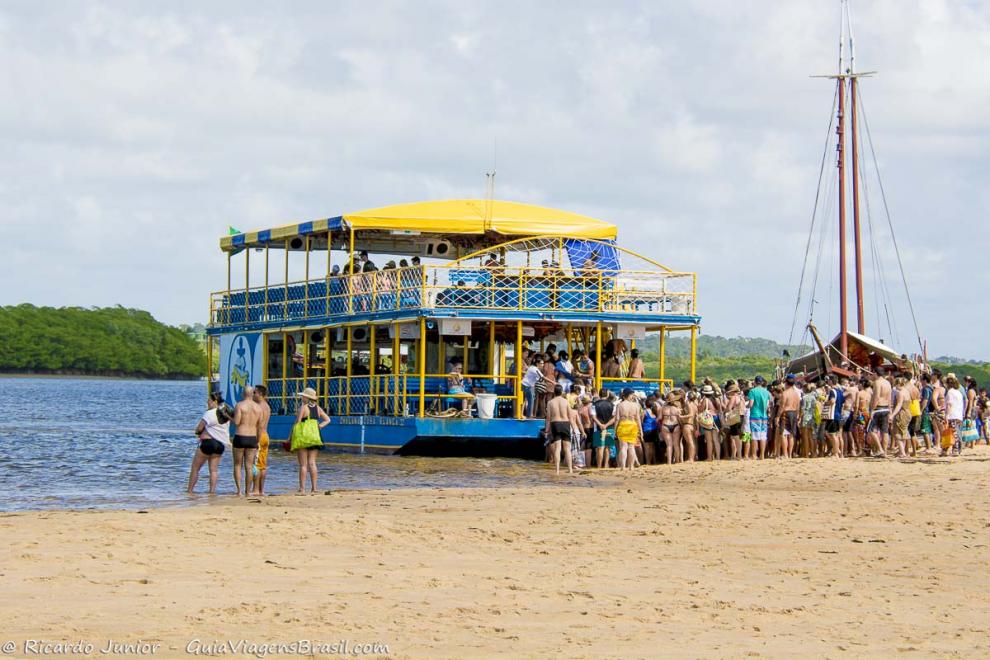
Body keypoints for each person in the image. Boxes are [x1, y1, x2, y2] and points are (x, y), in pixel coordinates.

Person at [187, 392, 231, 494]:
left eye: (209, 401)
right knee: (214, 470)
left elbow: (199, 428)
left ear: (215, 401)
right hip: (220, 445)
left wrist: (198, 433)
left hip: (207, 442)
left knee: (195, 468)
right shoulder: (225, 414)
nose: (207, 403)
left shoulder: (209, 413)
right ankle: (212, 492)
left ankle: (190, 491)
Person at [292, 387, 330, 493]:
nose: (301, 397)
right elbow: (328, 420)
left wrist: (290, 437)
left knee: (303, 464)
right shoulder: (318, 408)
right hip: (315, 436)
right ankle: (314, 488)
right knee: (312, 463)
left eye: (302, 396)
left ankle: (302, 488)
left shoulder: (303, 408)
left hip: (304, 437)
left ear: (306, 398)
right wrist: (320, 426)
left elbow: (297, 424)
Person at [232, 386, 263, 496]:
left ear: (243, 394)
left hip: (240, 436)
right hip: (252, 438)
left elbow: (236, 422)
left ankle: (239, 491)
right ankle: (247, 491)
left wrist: (228, 416)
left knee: (237, 464)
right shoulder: (259, 408)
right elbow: (260, 427)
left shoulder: (240, 405)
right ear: (252, 394)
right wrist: (258, 441)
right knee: (249, 466)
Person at [545, 385, 573, 475]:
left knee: (557, 448)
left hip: (555, 423)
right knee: (567, 449)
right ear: (561, 392)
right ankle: (570, 469)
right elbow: (570, 416)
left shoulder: (550, 402)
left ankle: (557, 470)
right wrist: (575, 428)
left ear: (554, 392)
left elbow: (548, 418)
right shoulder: (566, 401)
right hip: (565, 423)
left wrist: (547, 430)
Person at [614, 389, 643, 470]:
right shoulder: (636, 405)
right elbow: (638, 419)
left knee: (623, 447)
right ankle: (631, 466)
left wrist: (615, 430)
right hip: (633, 425)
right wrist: (641, 430)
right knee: (631, 447)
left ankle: (623, 466)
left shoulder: (620, 405)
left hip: (623, 425)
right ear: (630, 395)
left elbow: (617, 419)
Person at [867, 369, 892, 458]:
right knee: (884, 431)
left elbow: (876, 397)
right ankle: (884, 452)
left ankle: (880, 449)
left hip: (878, 408)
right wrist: (890, 411)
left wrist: (872, 410)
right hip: (886, 408)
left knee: (871, 430)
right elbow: (889, 398)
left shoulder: (877, 382)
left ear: (875, 373)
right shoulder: (888, 383)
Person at [252, 385, 272, 495]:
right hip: (266, 435)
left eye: (254, 392)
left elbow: (259, 426)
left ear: (260, 394)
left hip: (259, 436)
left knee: (256, 465)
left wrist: (256, 440)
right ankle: (261, 490)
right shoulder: (267, 406)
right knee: (263, 465)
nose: (253, 394)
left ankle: (255, 489)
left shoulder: (259, 406)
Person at [776, 375, 800, 459]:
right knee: (791, 435)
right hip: (794, 413)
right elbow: (798, 406)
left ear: (786, 383)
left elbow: (782, 406)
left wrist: (777, 416)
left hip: (786, 413)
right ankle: (790, 454)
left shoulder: (785, 393)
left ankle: (785, 454)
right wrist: (798, 415)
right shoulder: (796, 394)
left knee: (783, 434)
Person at [747, 376, 771, 460]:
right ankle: (762, 455)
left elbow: (750, 404)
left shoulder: (752, 391)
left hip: (755, 415)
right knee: (763, 436)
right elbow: (768, 405)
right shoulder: (767, 392)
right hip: (764, 416)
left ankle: (754, 455)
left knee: (754, 436)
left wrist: (746, 406)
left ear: (755, 382)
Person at [592, 388, 616, 468]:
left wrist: (600, 425)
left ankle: (599, 466)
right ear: (607, 394)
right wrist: (606, 425)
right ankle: (606, 465)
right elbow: (614, 418)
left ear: (599, 394)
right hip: (609, 427)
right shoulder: (612, 405)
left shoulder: (594, 404)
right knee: (607, 447)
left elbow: (593, 417)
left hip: (599, 428)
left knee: (600, 447)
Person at [890, 376, 912, 458]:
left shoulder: (900, 393)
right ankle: (903, 451)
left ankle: (902, 452)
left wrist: (892, 415)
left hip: (901, 413)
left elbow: (899, 405)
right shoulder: (907, 391)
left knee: (897, 433)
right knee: (904, 432)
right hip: (908, 412)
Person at [698, 385, 721, 461]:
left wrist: (699, 406)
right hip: (716, 418)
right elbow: (720, 410)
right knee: (716, 439)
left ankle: (710, 457)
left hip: (708, 419)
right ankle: (717, 457)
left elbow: (701, 410)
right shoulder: (716, 399)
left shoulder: (705, 400)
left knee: (709, 440)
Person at [944, 374, 965, 457]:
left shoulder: (950, 392)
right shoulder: (958, 392)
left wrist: (946, 416)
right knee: (955, 432)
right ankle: (947, 449)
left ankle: (955, 449)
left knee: (952, 433)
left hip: (952, 415)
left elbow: (949, 405)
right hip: (959, 415)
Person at [798, 383, 820, 459]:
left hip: (805, 418)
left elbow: (802, 410)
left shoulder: (804, 397)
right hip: (812, 417)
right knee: (811, 437)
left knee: (805, 437)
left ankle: (806, 454)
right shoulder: (813, 397)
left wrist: (799, 418)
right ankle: (814, 453)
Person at [661, 390, 683, 464]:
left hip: (665, 425)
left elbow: (659, 418)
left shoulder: (663, 408)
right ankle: (677, 460)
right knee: (676, 445)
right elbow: (679, 418)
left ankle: (669, 461)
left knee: (669, 445)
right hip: (675, 424)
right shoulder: (677, 408)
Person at [641, 395, 659, 465]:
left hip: (646, 430)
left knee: (646, 448)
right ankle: (652, 461)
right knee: (652, 447)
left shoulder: (645, 411)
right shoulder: (654, 411)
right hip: (654, 430)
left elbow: (641, 421)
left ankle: (648, 462)